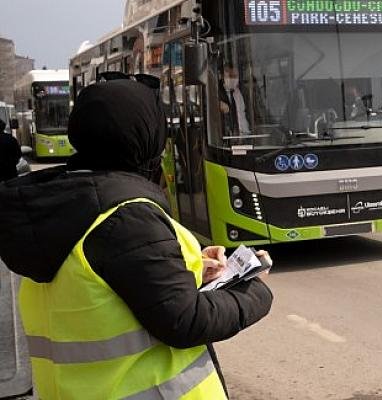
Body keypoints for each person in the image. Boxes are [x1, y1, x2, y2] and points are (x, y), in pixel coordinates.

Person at [0, 80, 273, 399]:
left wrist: (192, 268)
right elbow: (186, 321)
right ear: (145, 135)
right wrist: (254, 290)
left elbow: (104, 290)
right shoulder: (127, 216)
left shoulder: (58, 206)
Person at [220, 64, 253, 136]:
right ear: (222, 76)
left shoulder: (241, 92)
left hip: (244, 134)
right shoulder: (216, 94)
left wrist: (247, 132)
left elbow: (244, 114)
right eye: (230, 76)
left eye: (235, 76)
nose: (232, 79)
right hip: (228, 137)